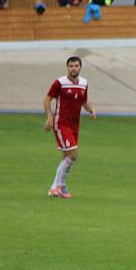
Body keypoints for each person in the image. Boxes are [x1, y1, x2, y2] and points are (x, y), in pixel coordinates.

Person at [43, 56, 96, 199]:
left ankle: (54, 188)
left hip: (74, 125)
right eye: (71, 66)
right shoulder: (60, 83)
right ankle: (61, 186)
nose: (73, 68)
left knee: (66, 156)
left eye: (76, 66)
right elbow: (47, 99)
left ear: (80, 67)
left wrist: (91, 110)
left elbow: (84, 101)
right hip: (61, 124)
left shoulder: (84, 83)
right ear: (67, 68)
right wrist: (49, 117)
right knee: (73, 154)